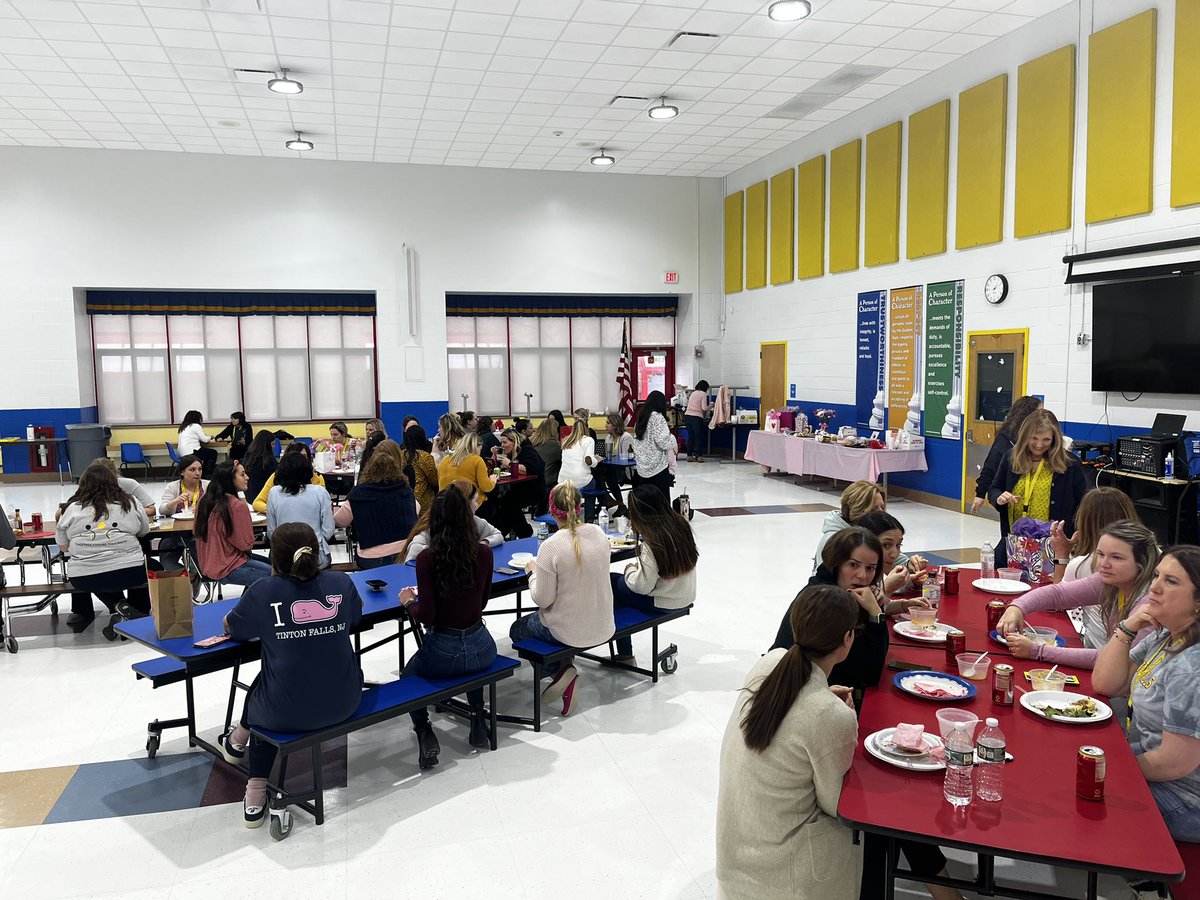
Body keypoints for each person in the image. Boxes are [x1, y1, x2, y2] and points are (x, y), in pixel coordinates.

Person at [716, 584, 862, 900]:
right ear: (847, 640)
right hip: (786, 873)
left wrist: (824, 702)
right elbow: (834, 803)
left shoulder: (770, 663)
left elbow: (793, 717)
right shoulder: (831, 715)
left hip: (735, 851)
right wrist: (840, 718)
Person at [217, 523, 363, 828]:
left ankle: (254, 790)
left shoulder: (263, 591)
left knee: (270, 689)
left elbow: (233, 627)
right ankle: (237, 740)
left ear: (274, 558)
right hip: (345, 699)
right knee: (280, 677)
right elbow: (355, 616)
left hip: (286, 711)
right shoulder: (340, 582)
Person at [1093, 545, 1200, 843]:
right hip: (1154, 766)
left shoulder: (1193, 668)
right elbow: (1106, 683)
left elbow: (1174, 763)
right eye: (1157, 576)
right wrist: (1128, 627)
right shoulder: (1168, 635)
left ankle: (1144, 879)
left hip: (1186, 796)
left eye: (1171, 581)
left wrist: (1108, 771)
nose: (1154, 587)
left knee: (1078, 790)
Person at [398, 487, 498, 768]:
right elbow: (483, 601)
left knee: (408, 677)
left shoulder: (428, 559)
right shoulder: (483, 553)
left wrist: (409, 603)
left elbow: (427, 616)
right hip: (481, 645)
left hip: (444, 649)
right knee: (472, 668)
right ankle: (478, 718)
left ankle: (424, 730)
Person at [510, 481, 615, 717]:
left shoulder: (551, 546)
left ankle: (559, 671)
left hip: (569, 629)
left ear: (550, 510)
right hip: (603, 623)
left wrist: (532, 573)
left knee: (518, 629)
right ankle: (565, 668)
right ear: (579, 507)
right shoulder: (598, 533)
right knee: (565, 617)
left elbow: (542, 599)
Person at [996, 520, 1158, 667]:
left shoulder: (1150, 603)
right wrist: (1017, 607)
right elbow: (1058, 594)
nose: (1104, 564)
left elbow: (1111, 659)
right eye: (1100, 554)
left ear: (1142, 563)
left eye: (1116, 557)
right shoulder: (1110, 582)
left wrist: (1037, 651)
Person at [609, 485, 697, 664]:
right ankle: (624, 651)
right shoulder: (681, 525)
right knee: (619, 586)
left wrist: (630, 571)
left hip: (663, 601)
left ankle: (625, 652)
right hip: (685, 594)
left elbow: (642, 587)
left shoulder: (653, 542)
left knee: (612, 581)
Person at [988, 408, 1086, 567]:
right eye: (1034, 438)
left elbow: (1083, 504)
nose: (1039, 445)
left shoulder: (1070, 464)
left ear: (1055, 439)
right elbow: (994, 489)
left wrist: (1073, 537)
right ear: (1025, 435)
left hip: (1052, 545)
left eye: (1046, 440)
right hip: (1015, 542)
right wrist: (999, 498)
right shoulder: (1011, 457)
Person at [56, 461, 151, 626]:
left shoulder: (71, 508)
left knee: (94, 572)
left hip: (84, 576)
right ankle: (137, 611)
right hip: (130, 571)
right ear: (114, 481)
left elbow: (64, 548)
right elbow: (144, 531)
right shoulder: (130, 502)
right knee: (153, 567)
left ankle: (120, 607)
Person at [333, 444, 418, 569]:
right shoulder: (404, 489)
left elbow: (340, 521)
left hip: (371, 557)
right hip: (403, 553)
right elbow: (416, 509)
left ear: (369, 469)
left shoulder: (358, 493)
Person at [195, 461, 272, 588]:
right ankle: (248, 606)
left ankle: (246, 604)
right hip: (228, 565)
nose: (247, 477)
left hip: (207, 564)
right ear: (230, 479)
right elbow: (245, 545)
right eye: (242, 475)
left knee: (271, 566)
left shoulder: (204, 501)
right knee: (273, 575)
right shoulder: (236, 505)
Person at [1045, 486, 1138, 585]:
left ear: (1084, 522)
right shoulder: (1150, 554)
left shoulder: (1080, 565)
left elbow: (1058, 597)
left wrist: (1061, 555)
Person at [970, 395, 1042, 514]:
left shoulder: (1041, 438)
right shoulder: (1007, 437)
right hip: (1014, 494)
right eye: (1039, 412)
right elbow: (991, 467)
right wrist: (980, 494)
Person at [403, 479, 503, 562]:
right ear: (465, 504)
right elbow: (414, 550)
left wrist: (483, 543)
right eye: (475, 500)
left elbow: (497, 535)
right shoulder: (433, 525)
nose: (477, 504)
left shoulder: (475, 521)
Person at [267, 450, 335, 569]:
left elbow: (272, 532)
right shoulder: (320, 492)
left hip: (284, 557)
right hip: (315, 556)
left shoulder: (274, 493)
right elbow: (328, 530)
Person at [812, 480, 887, 573]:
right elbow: (831, 585)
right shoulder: (833, 541)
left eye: (882, 508)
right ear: (857, 510)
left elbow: (889, 554)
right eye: (873, 509)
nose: (881, 514)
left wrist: (907, 563)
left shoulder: (870, 530)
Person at [156, 454, 207, 571]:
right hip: (175, 533)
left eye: (200, 469)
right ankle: (186, 578)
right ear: (182, 472)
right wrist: (174, 502)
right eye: (192, 470)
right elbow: (162, 509)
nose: (197, 473)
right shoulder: (173, 487)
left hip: (200, 532)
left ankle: (195, 577)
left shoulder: (207, 485)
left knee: (199, 565)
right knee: (167, 562)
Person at [491, 427, 544, 539]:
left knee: (509, 503)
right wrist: (494, 457)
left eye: (505, 442)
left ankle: (515, 532)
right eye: (501, 442)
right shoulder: (511, 452)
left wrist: (509, 463)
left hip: (533, 489)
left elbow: (530, 469)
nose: (503, 445)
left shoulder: (527, 450)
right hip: (519, 487)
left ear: (514, 441)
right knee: (500, 502)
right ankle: (507, 531)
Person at [252, 442, 326, 513]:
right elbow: (257, 503)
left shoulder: (318, 478)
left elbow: (323, 505)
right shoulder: (277, 476)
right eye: (297, 457)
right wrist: (274, 510)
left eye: (304, 456)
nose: (300, 460)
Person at [631, 391, 676, 503]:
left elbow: (636, 442)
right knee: (661, 501)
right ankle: (662, 520)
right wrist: (673, 443)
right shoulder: (658, 418)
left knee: (646, 501)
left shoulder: (640, 418)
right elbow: (663, 442)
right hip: (658, 467)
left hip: (642, 468)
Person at [559, 408, 599, 519]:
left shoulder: (566, 440)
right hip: (580, 482)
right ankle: (589, 518)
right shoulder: (588, 440)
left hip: (563, 481)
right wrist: (597, 460)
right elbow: (588, 460)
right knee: (594, 483)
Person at [597, 412, 635, 516]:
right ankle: (612, 501)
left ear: (615, 425)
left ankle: (615, 502)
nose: (605, 425)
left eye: (608, 423)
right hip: (612, 468)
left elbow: (626, 457)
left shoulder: (626, 437)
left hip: (624, 469)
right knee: (597, 475)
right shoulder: (608, 438)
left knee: (607, 475)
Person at [399, 425, 439, 512]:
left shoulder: (400, 455)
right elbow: (435, 481)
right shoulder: (425, 457)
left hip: (404, 498)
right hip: (423, 502)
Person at [241, 430, 278, 506]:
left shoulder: (248, 456)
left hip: (249, 498)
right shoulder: (268, 459)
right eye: (273, 444)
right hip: (263, 499)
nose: (274, 447)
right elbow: (276, 480)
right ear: (267, 445)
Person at [177, 410, 217, 477]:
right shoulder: (196, 426)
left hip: (182, 453)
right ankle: (207, 474)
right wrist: (210, 437)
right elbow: (205, 440)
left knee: (206, 453)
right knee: (213, 453)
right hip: (192, 452)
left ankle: (204, 472)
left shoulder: (183, 427)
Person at [529, 417, 563, 495]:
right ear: (554, 431)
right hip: (547, 483)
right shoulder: (554, 445)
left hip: (532, 482)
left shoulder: (531, 442)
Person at [683, 380, 710, 462]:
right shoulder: (703, 394)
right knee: (698, 437)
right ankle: (699, 456)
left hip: (687, 417)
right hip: (696, 418)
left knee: (691, 437)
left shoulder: (693, 393)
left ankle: (689, 456)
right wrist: (712, 405)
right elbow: (704, 408)